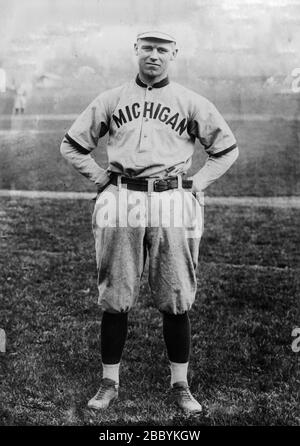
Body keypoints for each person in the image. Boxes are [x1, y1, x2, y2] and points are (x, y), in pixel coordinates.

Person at [60, 31, 239, 414]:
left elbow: (226, 149)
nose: (153, 55)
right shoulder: (112, 98)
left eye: (161, 49)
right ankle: (109, 382)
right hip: (122, 197)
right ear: (136, 51)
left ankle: (181, 386)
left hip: (172, 200)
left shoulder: (190, 101)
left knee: (176, 298)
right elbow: (72, 144)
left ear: (174, 53)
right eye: (147, 48)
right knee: (115, 297)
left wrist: (197, 183)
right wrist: (99, 177)